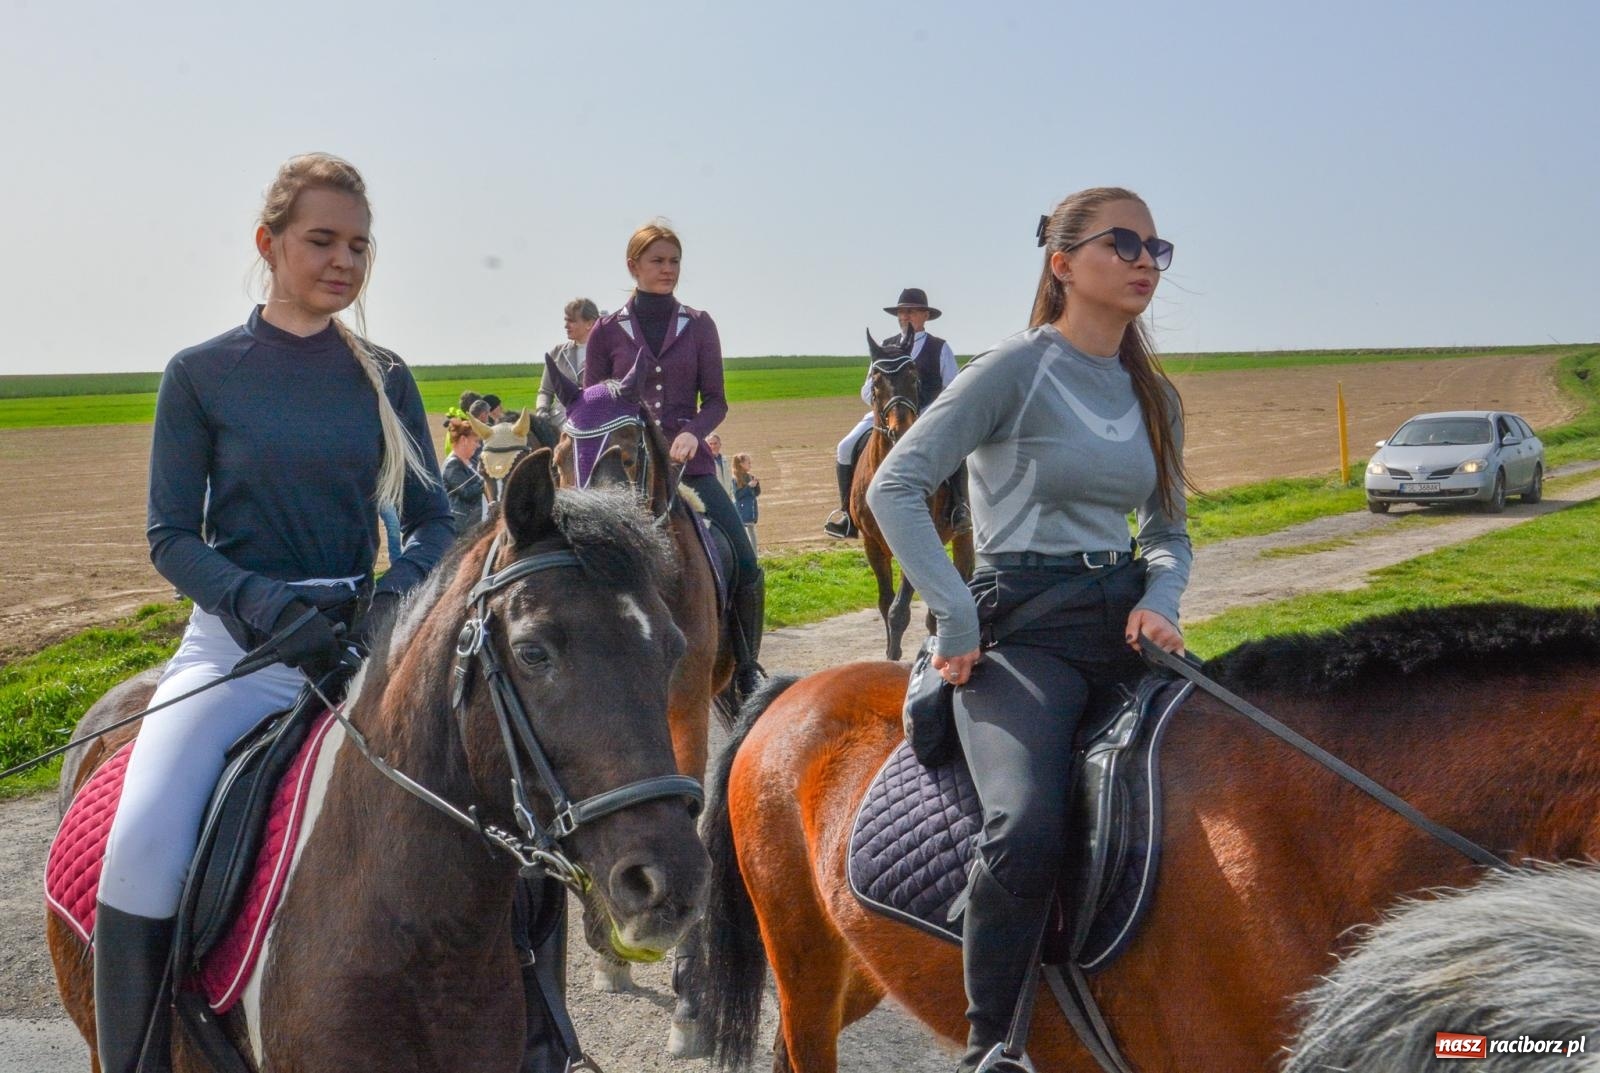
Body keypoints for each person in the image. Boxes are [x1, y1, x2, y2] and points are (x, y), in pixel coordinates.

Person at [99, 153, 455, 1073]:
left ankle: (541, 1036)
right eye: (322, 240)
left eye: (360, 246)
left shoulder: (385, 376)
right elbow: (172, 535)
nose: (345, 261)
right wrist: (259, 603)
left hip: (363, 644)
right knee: (140, 842)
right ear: (269, 244)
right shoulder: (202, 374)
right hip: (239, 650)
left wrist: (385, 600)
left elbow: (433, 522)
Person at [867, 187, 1191, 1073]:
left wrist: (1162, 599)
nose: (1143, 260)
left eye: (1156, 248)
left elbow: (1168, 537)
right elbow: (892, 486)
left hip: (1122, 626)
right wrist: (955, 611)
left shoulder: (1155, 397)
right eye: (1121, 243)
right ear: (1061, 263)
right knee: (1025, 821)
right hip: (1020, 635)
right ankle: (993, 1044)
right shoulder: (1013, 368)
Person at [584, 220, 765, 697]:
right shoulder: (605, 332)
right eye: (658, 261)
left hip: (691, 467)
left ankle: (746, 670)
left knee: (747, 564)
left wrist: (692, 432)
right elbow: (591, 404)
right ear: (633, 266)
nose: (668, 270)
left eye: (674, 261)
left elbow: (718, 402)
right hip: (624, 473)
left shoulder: (700, 324)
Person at [822, 287, 968, 538]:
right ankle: (847, 514)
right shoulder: (884, 348)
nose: (905, 316)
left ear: (925, 315)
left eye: (911, 311)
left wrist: (926, 413)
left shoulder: (939, 348)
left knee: (956, 451)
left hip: (926, 417)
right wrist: (884, 407)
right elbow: (866, 391)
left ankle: (959, 508)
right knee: (845, 447)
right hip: (884, 418)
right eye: (901, 312)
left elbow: (953, 389)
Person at [535, 298, 600, 426]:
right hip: (559, 422)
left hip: (593, 420)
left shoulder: (606, 352)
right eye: (566, 320)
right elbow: (545, 391)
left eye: (571, 321)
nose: (566, 326)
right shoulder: (556, 352)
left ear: (589, 323)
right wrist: (541, 411)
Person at [441, 416, 486, 535]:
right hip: (461, 529)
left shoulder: (471, 461)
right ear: (463, 440)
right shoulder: (453, 465)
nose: (477, 446)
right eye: (475, 441)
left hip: (474, 524)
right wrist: (486, 482)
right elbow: (467, 492)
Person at [732, 451, 760, 552]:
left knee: (751, 531)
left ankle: (754, 554)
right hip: (742, 509)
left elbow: (756, 494)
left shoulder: (750, 477)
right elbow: (737, 495)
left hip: (751, 508)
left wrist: (756, 485)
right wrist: (748, 486)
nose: (750, 464)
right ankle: (747, 553)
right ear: (741, 464)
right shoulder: (735, 479)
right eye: (748, 462)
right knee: (744, 532)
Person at [706, 432, 735, 499]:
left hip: (727, 497)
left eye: (715, 443)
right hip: (712, 498)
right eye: (710, 444)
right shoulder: (705, 462)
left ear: (720, 444)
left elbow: (729, 480)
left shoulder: (725, 460)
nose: (713, 446)